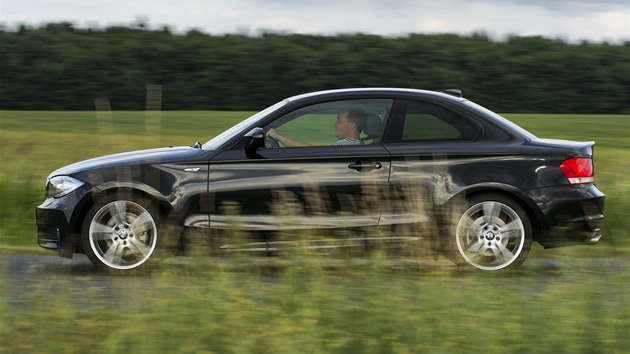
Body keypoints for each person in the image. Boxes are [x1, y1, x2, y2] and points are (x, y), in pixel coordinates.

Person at [267, 108, 366, 147]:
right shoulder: (355, 144)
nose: (334, 124)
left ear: (352, 125)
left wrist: (278, 137)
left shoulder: (348, 144)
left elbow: (311, 152)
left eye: (339, 121)